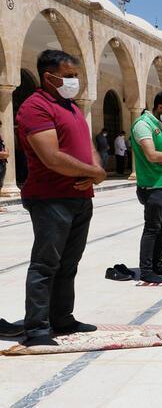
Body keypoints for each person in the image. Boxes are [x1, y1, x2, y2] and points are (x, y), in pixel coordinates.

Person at [15, 49, 107, 346]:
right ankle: (37, 329)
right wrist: (93, 172)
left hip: (79, 197)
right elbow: (51, 157)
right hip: (50, 198)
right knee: (45, 264)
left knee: (69, 263)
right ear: (48, 76)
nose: (74, 81)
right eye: (69, 76)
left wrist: (96, 170)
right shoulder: (35, 108)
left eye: (76, 76)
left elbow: (87, 143)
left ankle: (62, 319)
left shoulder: (70, 107)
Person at [131, 89, 162, 284]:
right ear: (160, 107)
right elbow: (152, 156)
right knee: (152, 228)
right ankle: (146, 270)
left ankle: (157, 263)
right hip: (152, 186)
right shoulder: (143, 125)